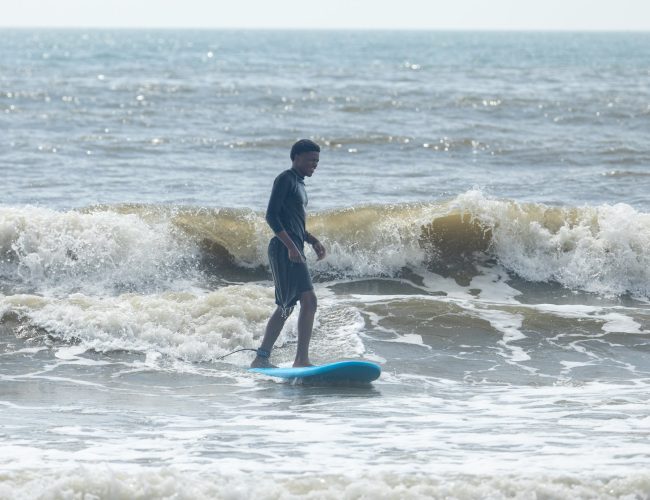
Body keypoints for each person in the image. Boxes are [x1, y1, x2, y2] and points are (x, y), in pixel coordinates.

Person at [250, 139, 326, 368]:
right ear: (296, 158)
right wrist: (292, 247)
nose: (315, 164)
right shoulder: (285, 179)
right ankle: (301, 360)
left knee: (286, 306)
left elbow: (294, 224)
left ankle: (261, 358)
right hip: (285, 249)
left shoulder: (300, 185)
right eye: (311, 160)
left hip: (292, 246)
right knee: (309, 301)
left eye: (317, 161)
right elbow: (272, 216)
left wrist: (312, 241)